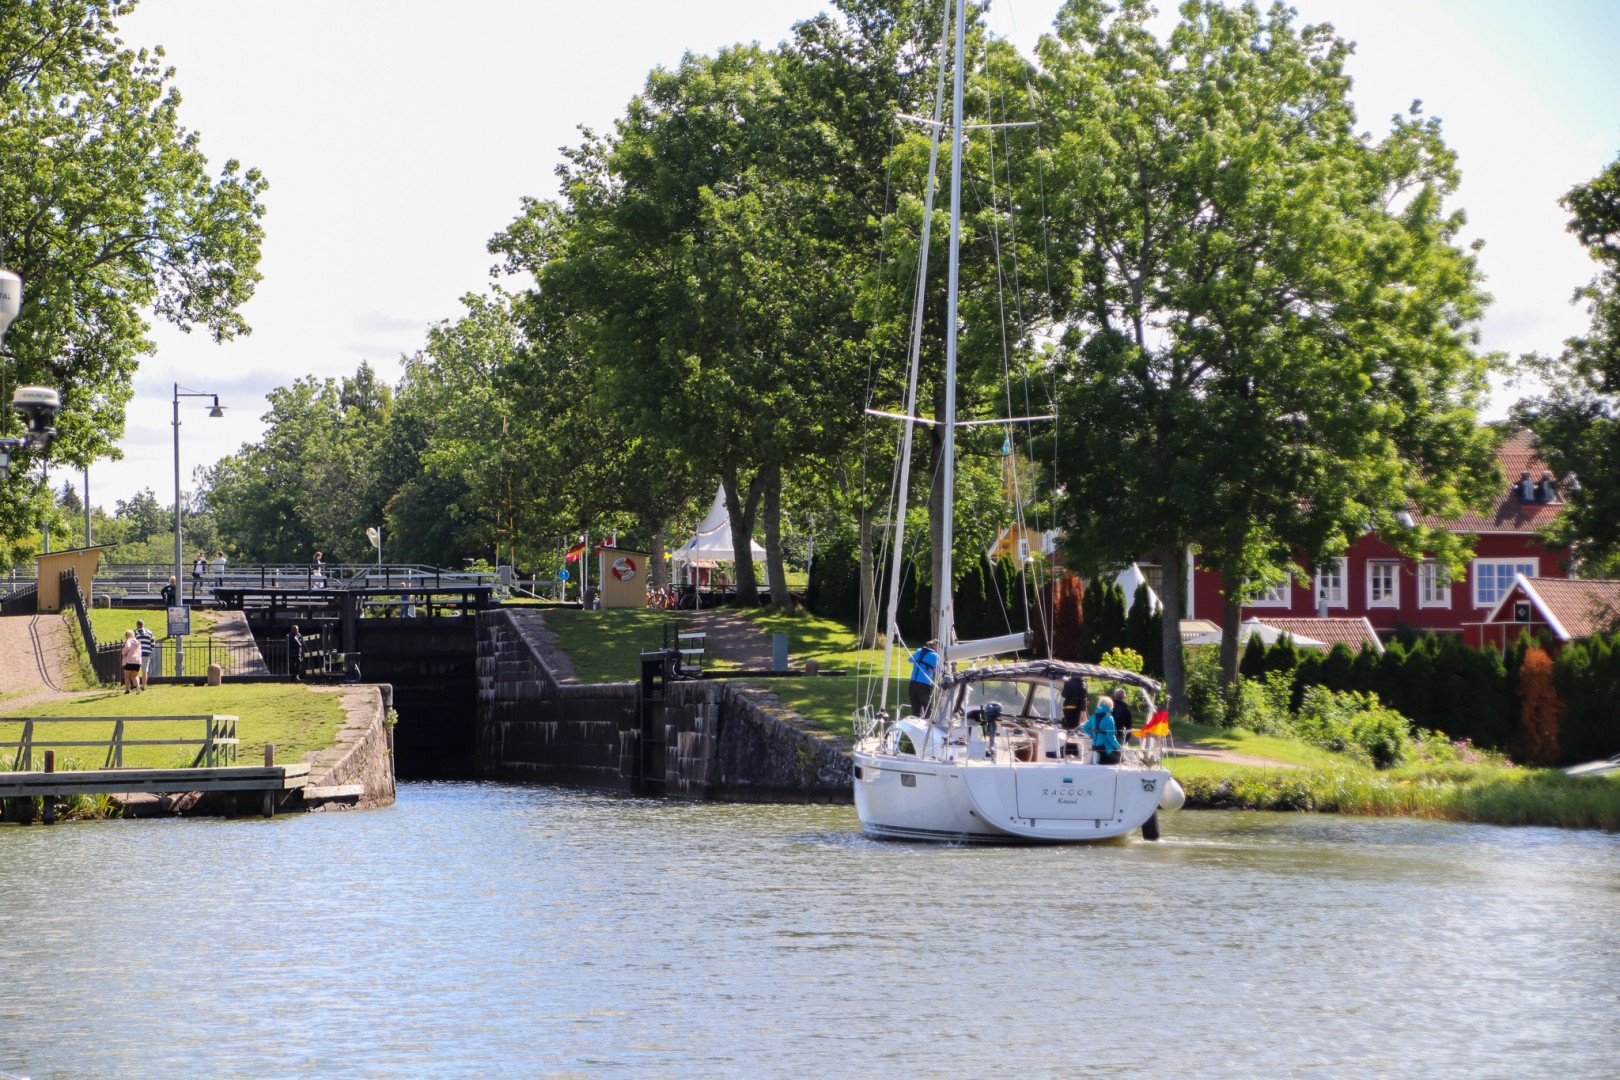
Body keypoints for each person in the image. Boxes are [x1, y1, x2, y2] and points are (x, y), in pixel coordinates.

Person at [1081, 696, 1121, 765]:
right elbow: (1110, 737)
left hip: (1095, 746)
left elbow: (1084, 727)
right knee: (1120, 758)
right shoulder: (1109, 718)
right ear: (1110, 706)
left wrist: (1091, 734)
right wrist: (1118, 747)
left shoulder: (1093, 717)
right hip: (1104, 748)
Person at [908, 638, 941, 718]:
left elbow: (910, 660)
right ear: (935, 646)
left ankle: (915, 725)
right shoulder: (936, 656)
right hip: (924, 684)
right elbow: (939, 672)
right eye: (939, 647)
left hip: (912, 683)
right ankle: (927, 726)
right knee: (927, 708)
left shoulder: (919, 651)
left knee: (915, 709)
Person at [133, 619, 156, 690]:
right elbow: (152, 644)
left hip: (137, 654)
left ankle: (136, 685)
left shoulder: (135, 632)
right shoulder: (149, 632)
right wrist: (150, 650)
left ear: (137, 625)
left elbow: (133, 643)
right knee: (145, 671)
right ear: (143, 624)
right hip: (146, 653)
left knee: (135, 671)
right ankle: (143, 686)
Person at [120, 629, 142, 694]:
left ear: (128, 635)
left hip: (129, 661)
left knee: (127, 676)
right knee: (135, 676)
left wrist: (123, 653)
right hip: (137, 661)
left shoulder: (129, 641)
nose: (125, 636)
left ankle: (127, 690)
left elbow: (128, 647)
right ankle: (137, 686)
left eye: (126, 635)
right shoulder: (138, 642)